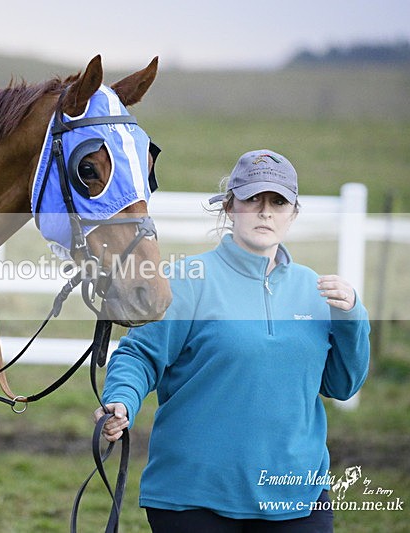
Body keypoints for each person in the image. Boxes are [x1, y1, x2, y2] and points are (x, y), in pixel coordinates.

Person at [94, 149, 370, 532]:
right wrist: (121, 401)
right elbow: (139, 354)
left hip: (297, 495)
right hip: (193, 496)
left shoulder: (317, 291)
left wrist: (352, 317)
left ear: (293, 214)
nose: (265, 211)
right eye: (252, 199)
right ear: (229, 206)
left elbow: (342, 385)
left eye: (278, 202)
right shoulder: (187, 279)